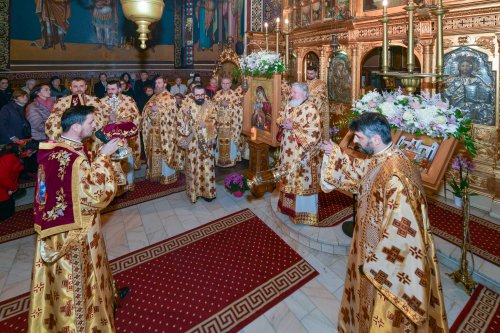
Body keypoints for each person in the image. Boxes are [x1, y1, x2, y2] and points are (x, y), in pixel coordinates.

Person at [320, 112, 448, 333]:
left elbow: (404, 230)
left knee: (383, 313)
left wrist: (377, 264)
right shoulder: (383, 157)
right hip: (366, 244)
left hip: (382, 258)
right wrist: (336, 154)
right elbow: (362, 176)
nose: (355, 141)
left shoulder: (397, 178)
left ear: (376, 140)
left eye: (358, 137)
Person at [28, 105, 123, 332]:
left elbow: (44, 191)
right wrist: (103, 158)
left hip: (55, 224)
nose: (95, 126)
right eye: (91, 122)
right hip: (74, 232)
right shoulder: (73, 159)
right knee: (79, 281)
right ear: (77, 126)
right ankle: (85, 325)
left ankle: (105, 300)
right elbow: (96, 195)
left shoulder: (55, 148)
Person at [276, 83, 321, 225]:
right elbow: (280, 117)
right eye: (292, 92)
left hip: (302, 154)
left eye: (294, 92)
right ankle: (286, 208)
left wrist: (293, 126)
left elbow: (314, 132)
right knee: (288, 178)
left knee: (301, 181)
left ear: (304, 93)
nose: (291, 95)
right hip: (287, 151)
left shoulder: (311, 108)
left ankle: (303, 214)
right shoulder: (290, 104)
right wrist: (282, 121)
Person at [45, 77, 111, 159]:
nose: (78, 89)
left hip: (92, 140)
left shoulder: (95, 100)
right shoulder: (61, 101)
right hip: (70, 142)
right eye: (75, 86)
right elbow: (52, 121)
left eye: (81, 86)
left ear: (86, 87)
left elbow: (102, 119)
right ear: (70, 88)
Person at [178, 86, 218, 203]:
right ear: (193, 95)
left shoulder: (210, 106)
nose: (200, 97)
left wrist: (206, 125)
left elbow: (216, 121)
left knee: (207, 166)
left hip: (206, 142)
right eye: (197, 95)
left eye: (202, 95)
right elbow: (180, 123)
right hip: (192, 143)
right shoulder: (187, 107)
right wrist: (185, 116)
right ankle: (194, 192)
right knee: (193, 166)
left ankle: (208, 192)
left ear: (205, 94)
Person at [101, 80, 142, 192]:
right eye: (108, 89)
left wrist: (121, 120)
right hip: (108, 141)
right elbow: (96, 122)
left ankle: (129, 184)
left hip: (125, 140)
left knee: (126, 161)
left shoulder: (128, 100)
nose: (110, 91)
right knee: (111, 164)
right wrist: (107, 119)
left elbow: (137, 117)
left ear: (119, 89)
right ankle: (113, 188)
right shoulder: (101, 102)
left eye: (113, 89)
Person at [142, 76, 181, 184]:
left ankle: (166, 175)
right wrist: (149, 111)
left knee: (164, 153)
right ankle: (155, 174)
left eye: (159, 83)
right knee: (153, 153)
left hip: (165, 132)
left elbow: (173, 114)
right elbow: (145, 109)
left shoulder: (170, 97)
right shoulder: (154, 96)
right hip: (153, 131)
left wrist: (158, 110)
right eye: (156, 83)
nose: (156, 85)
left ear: (164, 84)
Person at [443, 58, 495, 126]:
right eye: (463, 66)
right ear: (459, 67)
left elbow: (485, 91)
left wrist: (489, 89)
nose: (465, 67)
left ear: (472, 67)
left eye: (467, 66)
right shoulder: (453, 80)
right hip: (456, 104)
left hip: (471, 106)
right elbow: (446, 93)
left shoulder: (476, 79)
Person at [213, 76, 244, 167]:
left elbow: (239, 109)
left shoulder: (235, 95)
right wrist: (219, 104)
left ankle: (231, 160)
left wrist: (228, 105)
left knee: (231, 143)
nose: (225, 85)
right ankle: (219, 160)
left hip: (231, 125)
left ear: (230, 84)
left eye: (227, 83)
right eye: (223, 83)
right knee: (220, 142)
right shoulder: (217, 94)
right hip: (219, 124)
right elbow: (212, 109)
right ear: (221, 84)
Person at [305, 66, 329, 140]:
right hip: (305, 111)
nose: (309, 75)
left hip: (317, 111)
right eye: (308, 73)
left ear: (316, 73)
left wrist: (305, 97)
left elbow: (319, 98)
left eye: (311, 74)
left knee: (316, 132)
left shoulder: (321, 84)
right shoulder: (304, 83)